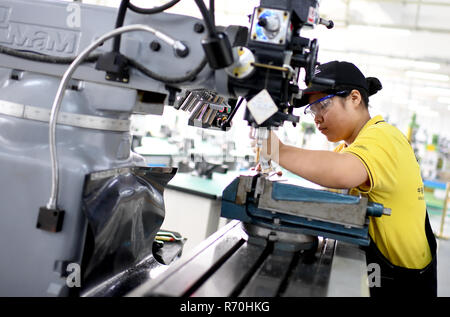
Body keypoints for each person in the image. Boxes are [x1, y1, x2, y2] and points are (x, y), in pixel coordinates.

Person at [255, 60, 437, 297]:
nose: (316, 118)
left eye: (323, 105)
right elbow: (331, 182)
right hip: (382, 274)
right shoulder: (351, 147)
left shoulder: (383, 136)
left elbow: (341, 173)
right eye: (312, 110)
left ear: (354, 98)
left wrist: (278, 150)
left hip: (404, 286)